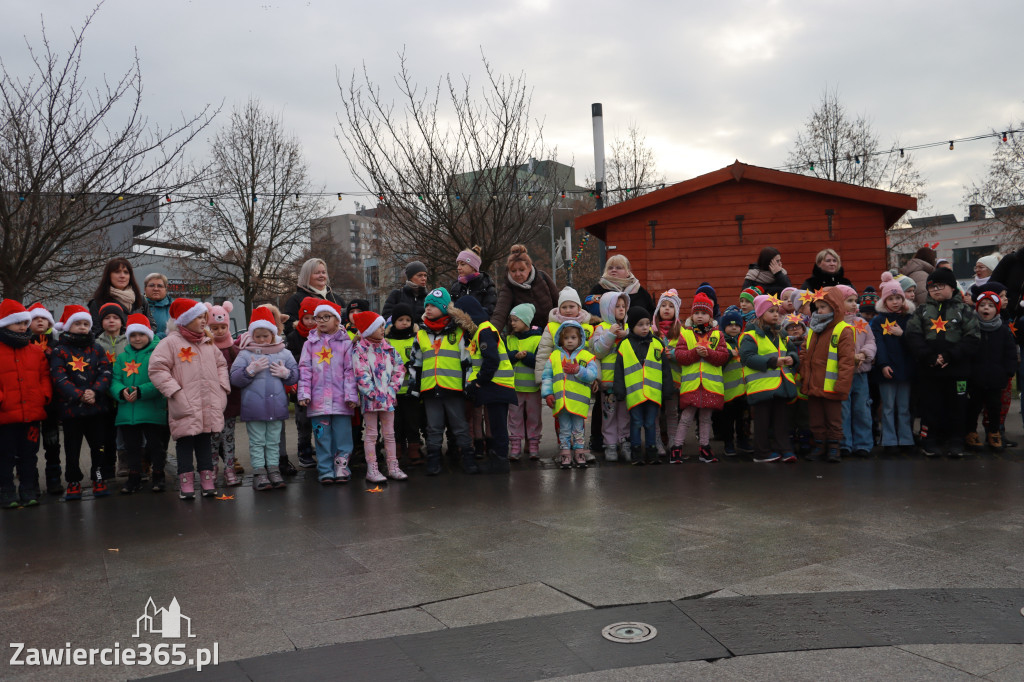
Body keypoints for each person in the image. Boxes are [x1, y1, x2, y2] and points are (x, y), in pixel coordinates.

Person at [148, 298, 230, 500]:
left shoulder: (207, 342)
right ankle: (185, 483)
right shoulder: (171, 342)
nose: (204, 321)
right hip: (184, 402)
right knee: (184, 443)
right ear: (185, 320)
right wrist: (174, 391)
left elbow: (221, 365)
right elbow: (157, 368)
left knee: (204, 441)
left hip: (208, 402)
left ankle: (207, 480)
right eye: (198, 317)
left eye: (204, 317)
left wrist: (221, 388)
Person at [905, 268, 980, 458]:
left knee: (958, 407)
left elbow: (972, 338)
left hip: (957, 370)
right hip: (929, 370)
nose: (936, 290)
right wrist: (929, 357)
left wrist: (949, 356)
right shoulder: (921, 311)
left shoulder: (964, 310)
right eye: (932, 287)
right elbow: (913, 336)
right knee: (931, 406)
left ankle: (956, 441)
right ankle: (930, 440)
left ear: (952, 287)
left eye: (940, 286)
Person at [409, 288, 475, 475]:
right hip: (430, 389)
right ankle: (433, 460)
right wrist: (415, 388)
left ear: (445, 308)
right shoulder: (421, 334)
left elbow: (468, 362)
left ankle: (468, 458)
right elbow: (415, 363)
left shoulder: (459, 332)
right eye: (427, 305)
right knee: (433, 428)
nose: (428, 309)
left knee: (460, 427)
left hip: (453, 389)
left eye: (433, 305)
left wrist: (469, 385)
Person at [231, 308, 298, 491]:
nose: (261, 340)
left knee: (273, 441)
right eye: (258, 336)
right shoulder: (245, 354)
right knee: (257, 442)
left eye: (265, 336)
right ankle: (260, 473)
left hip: (276, 407)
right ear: (252, 335)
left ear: (272, 334)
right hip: (254, 408)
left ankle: (274, 470)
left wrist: (286, 374)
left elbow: (294, 376)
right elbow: (235, 379)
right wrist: (249, 371)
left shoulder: (284, 353)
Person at [50, 305, 113, 500]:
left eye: (86, 323)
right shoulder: (60, 350)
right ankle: (73, 481)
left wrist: (94, 392)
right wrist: (79, 394)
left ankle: (99, 478)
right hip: (72, 411)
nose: (82, 327)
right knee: (72, 449)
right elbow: (59, 378)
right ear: (68, 326)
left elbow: (106, 372)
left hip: (96, 408)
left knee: (99, 448)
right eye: (78, 323)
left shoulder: (97, 348)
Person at [452, 295, 517, 474]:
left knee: (498, 427)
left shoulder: (484, 331)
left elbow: (491, 361)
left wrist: (479, 382)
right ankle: (498, 459)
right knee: (497, 426)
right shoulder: (483, 330)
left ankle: (501, 461)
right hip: (498, 385)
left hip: (497, 386)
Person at [297, 300, 358, 484]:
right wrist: (304, 394)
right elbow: (305, 370)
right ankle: (325, 470)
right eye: (318, 317)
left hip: (341, 401)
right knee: (322, 437)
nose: (321, 321)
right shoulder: (310, 344)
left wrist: (351, 395)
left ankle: (341, 468)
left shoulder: (345, 343)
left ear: (337, 319)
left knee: (343, 437)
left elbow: (350, 371)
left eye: (326, 317)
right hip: (318, 402)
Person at [0, 300, 51, 508]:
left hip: (31, 412)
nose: (23, 327)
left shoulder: (35, 351)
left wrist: (43, 395)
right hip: (6, 414)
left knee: (29, 454)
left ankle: (28, 488)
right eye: (17, 323)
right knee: (5, 455)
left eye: (24, 323)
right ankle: (6, 490)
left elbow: (44, 376)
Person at [110, 314, 167, 494]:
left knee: (155, 446)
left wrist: (141, 391)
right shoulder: (121, 358)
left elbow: (161, 379)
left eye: (141, 335)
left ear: (148, 335)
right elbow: (114, 380)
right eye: (133, 335)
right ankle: (134, 477)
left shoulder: (157, 354)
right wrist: (121, 391)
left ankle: (159, 475)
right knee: (131, 448)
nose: (137, 338)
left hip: (151, 410)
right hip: (128, 412)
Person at [740, 295, 800, 463]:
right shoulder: (750, 335)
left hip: (781, 385)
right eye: (771, 311)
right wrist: (772, 362)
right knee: (762, 421)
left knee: (781, 421)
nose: (776, 315)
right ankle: (761, 452)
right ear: (760, 313)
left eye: (777, 311)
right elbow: (747, 357)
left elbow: (792, 350)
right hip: (762, 386)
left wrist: (792, 359)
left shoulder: (781, 334)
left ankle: (785, 449)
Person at [672, 292, 730, 464]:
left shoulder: (717, 335)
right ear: (692, 315)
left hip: (710, 386)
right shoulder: (686, 334)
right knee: (686, 417)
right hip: (692, 385)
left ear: (710, 316)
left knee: (706, 418)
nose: (699, 316)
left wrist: (709, 353)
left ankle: (705, 448)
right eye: (696, 313)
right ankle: (676, 448)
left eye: (703, 313)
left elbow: (723, 356)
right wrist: (694, 354)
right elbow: (680, 355)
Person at [350, 310, 408, 482]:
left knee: (390, 434)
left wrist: (392, 389)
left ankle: (392, 466)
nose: (383, 329)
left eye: (383, 325)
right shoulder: (359, 349)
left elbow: (399, 368)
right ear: (368, 329)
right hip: (371, 401)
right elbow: (360, 373)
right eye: (379, 326)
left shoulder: (388, 347)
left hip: (388, 398)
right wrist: (372, 393)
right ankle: (372, 468)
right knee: (371, 434)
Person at [801, 288, 857, 463]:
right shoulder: (813, 328)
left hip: (831, 385)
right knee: (816, 418)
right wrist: (804, 373)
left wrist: (842, 384)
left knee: (834, 419)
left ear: (835, 307)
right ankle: (819, 445)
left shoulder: (843, 329)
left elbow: (846, 361)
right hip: (812, 383)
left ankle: (834, 447)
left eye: (823, 306)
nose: (819, 311)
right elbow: (804, 352)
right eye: (817, 307)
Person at [541, 321, 599, 469]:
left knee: (579, 429)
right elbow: (547, 376)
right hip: (561, 402)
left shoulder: (586, 356)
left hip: (579, 403)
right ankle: (565, 454)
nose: (570, 341)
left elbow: (592, 375)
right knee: (564, 430)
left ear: (580, 339)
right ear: (561, 340)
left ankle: (579, 453)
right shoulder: (554, 356)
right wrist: (547, 394)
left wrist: (578, 370)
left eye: (573, 337)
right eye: (566, 338)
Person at [615, 306, 668, 466]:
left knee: (651, 422)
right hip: (634, 393)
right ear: (632, 327)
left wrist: (667, 389)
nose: (645, 327)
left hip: (653, 392)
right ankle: (636, 452)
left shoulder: (658, 344)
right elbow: (619, 370)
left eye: (647, 324)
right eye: (640, 324)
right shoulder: (624, 345)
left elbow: (665, 369)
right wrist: (619, 389)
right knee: (636, 422)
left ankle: (652, 452)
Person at [870, 273, 916, 454]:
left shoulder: (909, 319)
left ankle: (905, 439)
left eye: (898, 298)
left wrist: (902, 334)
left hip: (905, 368)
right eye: (891, 298)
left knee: (904, 407)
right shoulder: (878, 321)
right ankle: (889, 441)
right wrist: (882, 364)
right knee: (888, 407)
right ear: (884, 301)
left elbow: (914, 342)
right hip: (886, 369)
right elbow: (878, 344)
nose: (895, 302)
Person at [965, 291, 1016, 452]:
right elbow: (967, 352)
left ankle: (994, 432)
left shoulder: (1003, 331)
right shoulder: (972, 328)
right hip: (976, 377)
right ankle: (971, 432)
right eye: (983, 305)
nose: (986, 309)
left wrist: (1008, 371)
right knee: (973, 407)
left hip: (996, 377)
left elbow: (1010, 353)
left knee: (995, 407)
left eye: (991, 306)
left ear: (997, 310)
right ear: (977, 308)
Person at [589, 291, 631, 462]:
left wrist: (626, 335)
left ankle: (625, 442)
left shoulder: (629, 327)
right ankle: (610, 444)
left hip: (627, 380)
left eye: (623, 306)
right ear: (607, 309)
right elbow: (597, 351)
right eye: (617, 306)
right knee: (609, 414)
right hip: (608, 382)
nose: (621, 310)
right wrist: (611, 334)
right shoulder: (601, 328)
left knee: (625, 414)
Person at [836, 285, 876, 458]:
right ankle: (844, 443)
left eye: (855, 301)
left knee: (862, 409)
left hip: (861, 374)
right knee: (843, 410)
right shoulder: (834, 324)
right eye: (849, 301)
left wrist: (864, 354)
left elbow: (871, 342)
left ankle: (863, 444)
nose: (854, 305)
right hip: (841, 374)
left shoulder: (862, 323)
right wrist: (847, 357)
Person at [27, 304, 62, 494]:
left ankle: (54, 478)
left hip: (52, 403)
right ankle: (30, 481)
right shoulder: (23, 344)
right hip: (30, 401)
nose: (40, 321)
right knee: (29, 445)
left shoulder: (58, 345)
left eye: (43, 318)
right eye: (35, 318)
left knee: (52, 443)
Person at [207, 301, 242, 485]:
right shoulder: (204, 349)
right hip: (211, 404)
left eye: (223, 327)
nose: (219, 331)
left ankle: (229, 469)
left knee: (228, 438)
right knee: (212, 439)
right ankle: (212, 469)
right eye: (214, 328)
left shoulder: (233, 350)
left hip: (229, 403)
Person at [285, 296, 321, 470]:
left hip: (321, 385)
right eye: (306, 318)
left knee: (320, 420)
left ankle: (321, 450)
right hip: (301, 385)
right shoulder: (294, 336)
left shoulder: (323, 335)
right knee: (303, 422)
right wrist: (306, 359)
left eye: (313, 318)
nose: (309, 322)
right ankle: (304, 451)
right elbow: (291, 359)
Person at [385, 303, 422, 467]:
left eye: (408, 319)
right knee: (396, 424)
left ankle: (414, 449)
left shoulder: (415, 339)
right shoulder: (387, 341)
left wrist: (412, 365)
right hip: (393, 391)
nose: (405, 323)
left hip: (411, 391)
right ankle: (397, 450)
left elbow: (421, 359)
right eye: (401, 319)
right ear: (394, 322)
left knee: (412, 422)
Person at [505, 303, 543, 461]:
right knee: (514, 417)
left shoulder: (538, 339)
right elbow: (505, 359)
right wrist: (514, 356)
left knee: (534, 417)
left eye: (516, 320)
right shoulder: (510, 339)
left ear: (526, 321)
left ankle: (533, 443)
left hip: (533, 389)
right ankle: (515, 444)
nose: (512, 323)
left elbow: (540, 361)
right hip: (514, 389)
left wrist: (526, 357)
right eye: (511, 320)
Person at [491, 244, 559, 331]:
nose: (518, 274)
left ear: (529, 267)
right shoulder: (508, 288)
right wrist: (491, 333)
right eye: (513, 271)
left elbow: (558, 304)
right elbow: (500, 315)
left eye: (521, 270)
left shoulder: (543, 277)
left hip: (548, 334)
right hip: (521, 339)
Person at [95, 301, 127, 475]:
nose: (112, 321)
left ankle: (125, 463)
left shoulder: (128, 341)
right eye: (107, 318)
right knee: (107, 433)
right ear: (101, 322)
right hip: (104, 394)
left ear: (122, 322)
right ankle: (107, 467)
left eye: (116, 317)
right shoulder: (96, 343)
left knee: (123, 431)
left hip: (123, 392)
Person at [715, 309, 751, 456]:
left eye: (737, 325)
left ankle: (743, 441)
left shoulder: (745, 341)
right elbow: (717, 361)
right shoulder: (721, 342)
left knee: (743, 419)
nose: (734, 327)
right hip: (728, 392)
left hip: (744, 390)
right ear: (724, 327)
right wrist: (729, 354)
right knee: (728, 420)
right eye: (730, 325)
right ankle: (728, 443)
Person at [282, 258, 345, 337]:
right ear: (307, 276)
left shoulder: (337, 299)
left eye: (323, 272)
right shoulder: (296, 300)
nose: (321, 275)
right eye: (317, 273)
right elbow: (288, 328)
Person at [653, 289, 682, 459]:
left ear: (676, 311)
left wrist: (675, 355)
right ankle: (657, 440)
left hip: (674, 380)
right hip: (655, 380)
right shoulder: (651, 331)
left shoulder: (682, 332)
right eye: (663, 305)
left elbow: (688, 354)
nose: (666, 309)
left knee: (672, 412)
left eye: (670, 306)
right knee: (655, 412)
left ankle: (673, 440)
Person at [587, 255, 656, 319]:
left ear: (627, 272)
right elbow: (588, 310)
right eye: (610, 268)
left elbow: (652, 312)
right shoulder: (599, 288)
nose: (613, 270)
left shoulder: (639, 290)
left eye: (619, 268)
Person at [88, 257, 150, 328]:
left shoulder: (140, 299)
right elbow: (96, 331)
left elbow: (151, 326)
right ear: (108, 275)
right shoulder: (98, 302)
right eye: (117, 272)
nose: (122, 276)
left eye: (126, 272)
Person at [448, 246, 498, 317]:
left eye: (462, 264)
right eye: (458, 264)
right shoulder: (456, 286)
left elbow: (490, 310)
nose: (458, 268)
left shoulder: (486, 284)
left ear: (473, 267)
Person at [143, 273, 173, 339]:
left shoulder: (174, 309)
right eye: (151, 285)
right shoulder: (137, 306)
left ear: (166, 289)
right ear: (145, 289)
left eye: (160, 286)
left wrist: (157, 338)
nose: (156, 289)